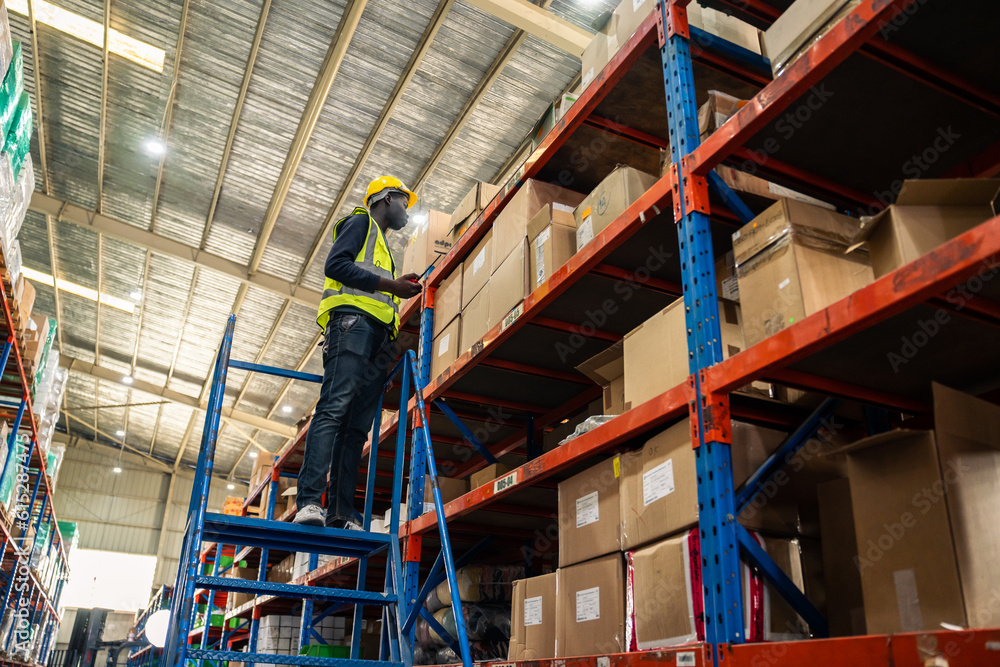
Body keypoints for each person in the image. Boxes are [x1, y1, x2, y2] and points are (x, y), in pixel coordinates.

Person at [294, 176, 422, 528]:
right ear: (384, 198)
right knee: (334, 410)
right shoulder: (360, 222)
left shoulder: (383, 246)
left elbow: (378, 291)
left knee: (356, 430)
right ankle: (308, 501)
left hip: (378, 339)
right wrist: (391, 285)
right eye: (403, 202)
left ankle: (340, 512)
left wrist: (396, 287)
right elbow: (335, 265)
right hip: (351, 326)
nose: (406, 211)